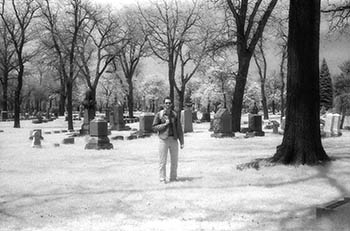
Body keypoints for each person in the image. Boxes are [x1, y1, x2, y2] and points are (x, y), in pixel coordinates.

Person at [152, 96, 184, 183]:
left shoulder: (175, 114)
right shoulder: (159, 114)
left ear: (171, 104)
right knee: (163, 161)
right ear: (163, 104)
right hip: (163, 139)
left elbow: (179, 129)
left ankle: (173, 177)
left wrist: (181, 141)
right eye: (166, 103)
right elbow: (154, 127)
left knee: (174, 160)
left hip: (173, 139)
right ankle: (162, 178)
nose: (168, 105)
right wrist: (164, 125)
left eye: (169, 103)